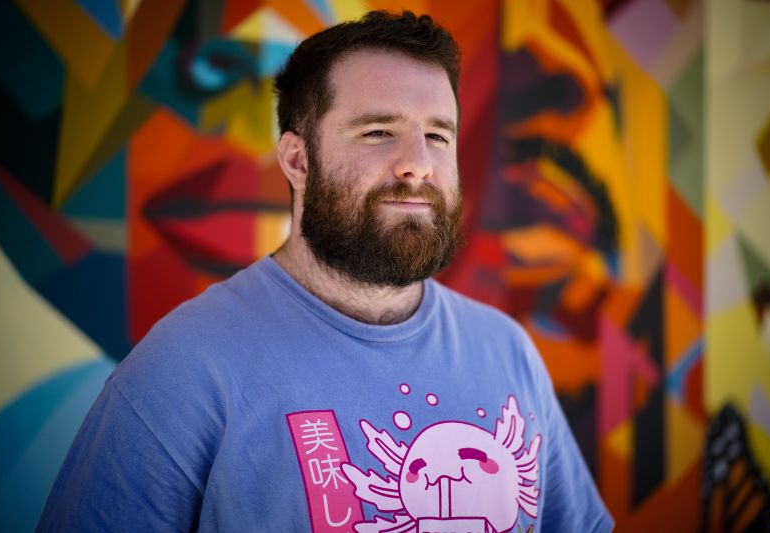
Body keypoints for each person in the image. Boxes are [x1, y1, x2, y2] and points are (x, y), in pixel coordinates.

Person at [38, 10, 613, 533]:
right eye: (378, 131)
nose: (418, 163)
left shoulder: (507, 351)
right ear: (297, 159)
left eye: (438, 135)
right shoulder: (186, 368)